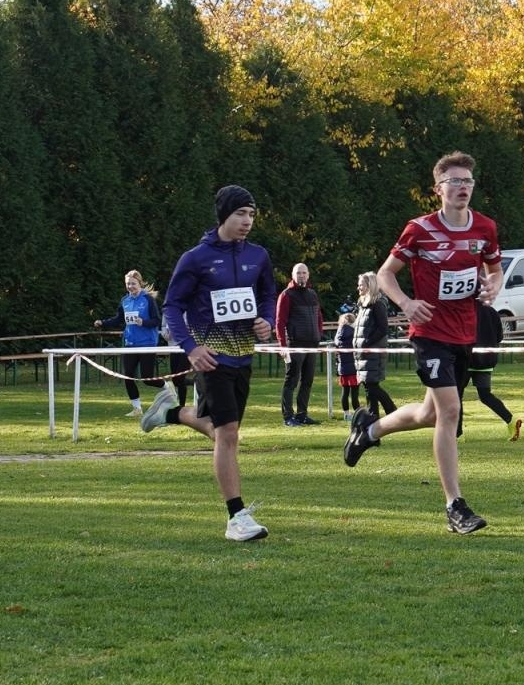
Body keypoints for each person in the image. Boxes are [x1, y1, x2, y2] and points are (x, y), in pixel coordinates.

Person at [342, 152, 503, 536]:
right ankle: (455, 506)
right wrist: (407, 303)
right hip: (429, 334)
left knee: (430, 415)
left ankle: (369, 431)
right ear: (439, 189)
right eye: (455, 182)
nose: (463, 187)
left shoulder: (484, 228)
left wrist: (492, 287)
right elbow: (385, 273)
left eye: (468, 181)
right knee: (450, 412)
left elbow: (494, 269)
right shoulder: (420, 229)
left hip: (465, 332)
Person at [140, 185, 277, 541]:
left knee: (222, 433)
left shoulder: (258, 256)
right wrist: (190, 348)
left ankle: (170, 413)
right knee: (228, 435)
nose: (247, 222)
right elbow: (172, 306)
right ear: (223, 216)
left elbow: (266, 296)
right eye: (240, 214)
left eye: (251, 215)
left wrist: (268, 320)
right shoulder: (196, 258)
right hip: (210, 357)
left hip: (243, 354)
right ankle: (236, 518)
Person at [93, 270, 162, 416]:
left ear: (140, 283)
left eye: (133, 283)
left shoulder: (148, 300)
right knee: (128, 375)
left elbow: (157, 321)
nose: (130, 286)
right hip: (130, 343)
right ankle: (137, 408)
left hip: (147, 343)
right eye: (128, 284)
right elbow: (119, 319)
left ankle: (167, 387)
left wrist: (143, 322)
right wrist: (102, 323)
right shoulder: (125, 300)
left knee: (147, 378)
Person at [459, 300, 521, 441]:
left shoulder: (464, 311)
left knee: (457, 395)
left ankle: (457, 434)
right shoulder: (492, 312)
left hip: (467, 359)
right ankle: (511, 420)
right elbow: (499, 336)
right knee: (485, 395)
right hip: (486, 360)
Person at [275, 262, 324, 426]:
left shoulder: (312, 294)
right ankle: (288, 417)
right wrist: (283, 346)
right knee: (291, 381)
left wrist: (319, 335)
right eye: (298, 273)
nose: (301, 276)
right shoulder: (286, 295)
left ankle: (302, 414)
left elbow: (318, 317)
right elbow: (280, 322)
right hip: (294, 344)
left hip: (312, 344)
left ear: (308, 275)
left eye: (304, 273)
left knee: (308, 381)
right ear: (293, 275)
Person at [354, 271, 397, 420]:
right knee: (368, 386)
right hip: (364, 353)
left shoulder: (378, 304)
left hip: (372, 351)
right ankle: (373, 417)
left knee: (372, 386)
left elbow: (382, 328)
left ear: (370, 286)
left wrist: (367, 343)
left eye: (361, 285)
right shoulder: (363, 304)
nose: (358, 288)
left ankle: (393, 412)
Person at [335, 309, 361, 417]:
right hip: (354, 367)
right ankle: (358, 413)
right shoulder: (355, 334)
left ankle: (346, 413)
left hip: (343, 367)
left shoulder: (338, 335)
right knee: (355, 394)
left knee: (344, 393)